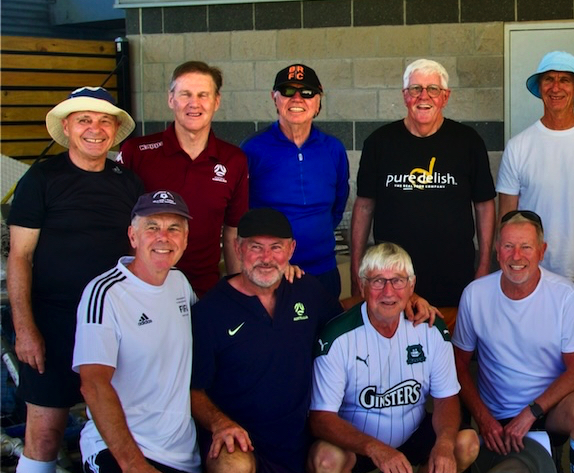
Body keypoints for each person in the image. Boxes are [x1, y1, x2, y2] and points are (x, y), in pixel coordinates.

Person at [8, 87, 142, 473]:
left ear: (113, 132)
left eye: (104, 122)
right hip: (54, 323)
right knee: (44, 433)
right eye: (83, 120)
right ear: (67, 128)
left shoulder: (128, 182)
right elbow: (19, 257)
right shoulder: (41, 180)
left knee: (116, 428)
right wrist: (25, 328)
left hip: (112, 324)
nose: (94, 129)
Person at [57, 190, 205, 473]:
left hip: (177, 449)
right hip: (123, 445)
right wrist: (133, 464)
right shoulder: (105, 293)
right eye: (153, 228)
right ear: (133, 235)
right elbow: (93, 383)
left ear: (185, 237)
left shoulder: (181, 286)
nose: (164, 237)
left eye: (174, 228)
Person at [190, 208, 341, 473]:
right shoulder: (210, 310)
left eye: (276, 248)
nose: (266, 257)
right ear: (237, 250)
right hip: (235, 443)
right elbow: (193, 390)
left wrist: (409, 302)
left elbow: (349, 325)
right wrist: (220, 423)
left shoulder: (307, 291)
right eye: (255, 248)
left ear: (291, 250)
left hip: (285, 452)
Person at [307, 243, 479, 473]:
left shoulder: (430, 328)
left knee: (464, 444)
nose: (388, 290)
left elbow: (446, 398)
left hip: (410, 433)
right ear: (362, 285)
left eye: (398, 280)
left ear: (411, 286)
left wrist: (442, 442)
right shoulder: (338, 336)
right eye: (377, 281)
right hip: (357, 444)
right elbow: (321, 419)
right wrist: (376, 449)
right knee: (324, 461)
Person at [452, 211, 574, 473]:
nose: (516, 256)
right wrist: (484, 420)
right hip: (497, 418)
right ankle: (539, 467)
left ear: (542, 250)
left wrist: (532, 412)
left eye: (525, 247)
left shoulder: (564, 295)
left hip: (546, 412)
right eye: (508, 246)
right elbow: (459, 366)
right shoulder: (476, 294)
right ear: (496, 249)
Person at [351, 59, 496, 319]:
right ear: (405, 96)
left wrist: (484, 264)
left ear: (446, 97)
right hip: (392, 280)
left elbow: (484, 204)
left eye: (433, 89)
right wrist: (356, 268)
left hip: (453, 276)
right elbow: (364, 206)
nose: (424, 96)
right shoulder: (379, 143)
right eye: (416, 89)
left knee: (452, 352)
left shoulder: (468, 142)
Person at [119, 61, 249, 295]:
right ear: (171, 99)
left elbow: (232, 233)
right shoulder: (136, 153)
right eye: (185, 94)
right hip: (145, 290)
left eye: (203, 95)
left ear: (216, 101)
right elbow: (120, 226)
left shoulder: (234, 160)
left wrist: (237, 291)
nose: (194, 104)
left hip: (204, 290)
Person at [498, 51, 574, 286]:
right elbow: (506, 218)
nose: (556, 87)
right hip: (532, 276)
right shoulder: (518, 146)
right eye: (548, 79)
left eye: (564, 80)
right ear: (540, 87)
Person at [242, 63, 349, 298]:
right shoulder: (253, 149)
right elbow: (243, 212)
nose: (297, 99)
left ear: (318, 100)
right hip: (272, 274)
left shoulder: (333, 149)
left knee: (325, 333)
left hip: (323, 270)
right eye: (288, 91)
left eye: (307, 93)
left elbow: (337, 206)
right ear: (274, 98)